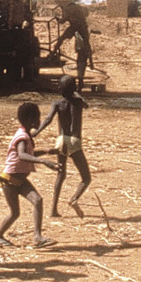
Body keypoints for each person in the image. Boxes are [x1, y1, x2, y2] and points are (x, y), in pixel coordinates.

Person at [0, 101, 58, 249]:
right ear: (30, 120)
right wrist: (43, 161)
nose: (39, 120)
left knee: (38, 200)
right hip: (10, 180)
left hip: (20, 180)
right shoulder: (22, 136)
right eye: (37, 117)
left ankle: (37, 237)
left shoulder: (26, 135)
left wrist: (47, 151)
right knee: (14, 213)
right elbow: (22, 155)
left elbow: (29, 154)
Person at [34, 75, 92, 217]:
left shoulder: (57, 103)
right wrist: (76, 92)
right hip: (74, 140)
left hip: (61, 140)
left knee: (61, 174)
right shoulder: (78, 102)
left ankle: (53, 209)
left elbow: (48, 119)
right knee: (86, 178)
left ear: (59, 89)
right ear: (75, 88)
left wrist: (36, 132)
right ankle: (73, 198)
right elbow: (86, 104)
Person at [52, 1, 93, 89]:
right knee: (86, 45)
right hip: (83, 27)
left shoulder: (68, 9)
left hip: (75, 26)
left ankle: (53, 52)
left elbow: (62, 21)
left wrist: (56, 18)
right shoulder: (79, 8)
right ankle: (91, 61)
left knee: (61, 38)